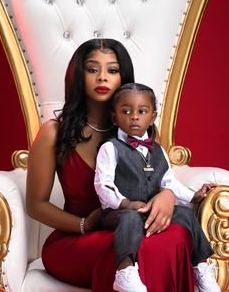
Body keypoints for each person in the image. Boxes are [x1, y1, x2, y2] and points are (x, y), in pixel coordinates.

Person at [26, 38, 205, 292]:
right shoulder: (53, 133)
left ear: (124, 77)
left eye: (112, 70)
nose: (102, 78)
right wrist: (85, 224)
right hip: (78, 239)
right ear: (78, 75)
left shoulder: (143, 131)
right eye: (92, 69)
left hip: (134, 228)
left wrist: (166, 196)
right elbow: (36, 205)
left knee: (172, 237)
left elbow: (161, 181)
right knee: (139, 247)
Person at [94, 82, 221, 292]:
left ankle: (200, 267)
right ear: (114, 117)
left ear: (152, 117)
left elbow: (168, 183)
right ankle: (125, 272)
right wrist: (125, 203)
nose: (134, 116)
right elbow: (102, 184)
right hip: (117, 212)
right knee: (130, 217)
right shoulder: (110, 148)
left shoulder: (159, 150)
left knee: (186, 216)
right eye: (126, 111)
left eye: (141, 111)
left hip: (152, 210)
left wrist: (194, 197)